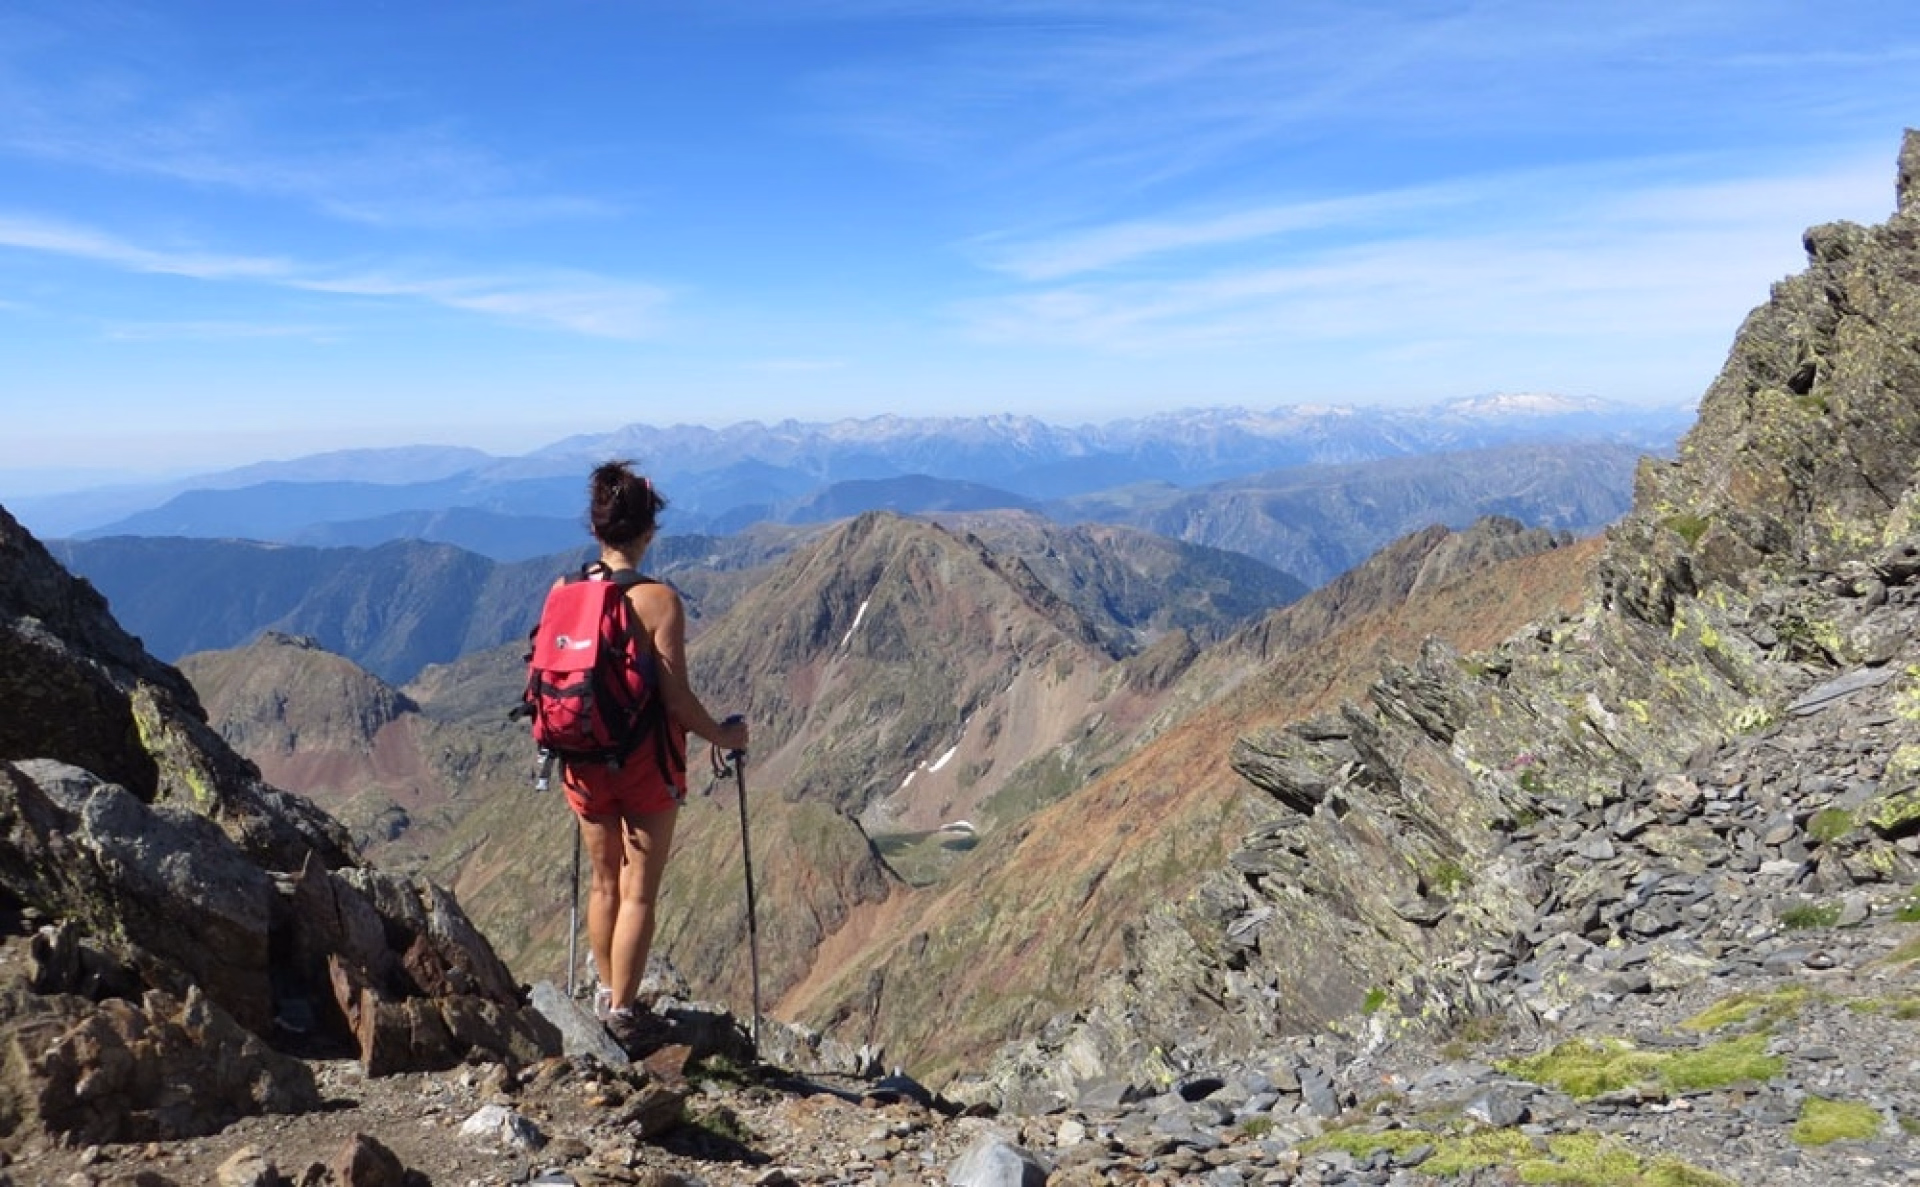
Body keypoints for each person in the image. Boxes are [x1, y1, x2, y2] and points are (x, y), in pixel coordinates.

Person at [560, 459, 748, 1053]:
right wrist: (724, 737)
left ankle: (602, 997)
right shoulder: (660, 602)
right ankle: (622, 1013)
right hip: (644, 767)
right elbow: (676, 700)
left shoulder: (565, 592)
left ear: (596, 530)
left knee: (602, 883)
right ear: (647, 532)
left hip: (581, 760)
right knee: (639, 888)